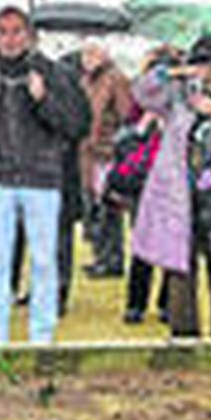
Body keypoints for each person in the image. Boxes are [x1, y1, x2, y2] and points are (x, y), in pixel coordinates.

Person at [131, 35, 211, 338]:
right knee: (180, 271)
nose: (207, 72)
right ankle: (183, 334)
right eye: (201, 64)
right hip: (180, 200)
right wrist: (170, 71)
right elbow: (141, 92)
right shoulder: (177, 98)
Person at [0, 5, 88, 343]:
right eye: (3, 31)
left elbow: (77, 124)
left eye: (17, 31)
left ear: (29, 35)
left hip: (43, 180)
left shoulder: (54, 72)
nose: (10, 39)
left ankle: (42, 338)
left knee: (45, 264)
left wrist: (44, 100)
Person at [77, 42, 135, 279]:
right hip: (88, 154)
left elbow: (127, 116)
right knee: (94, 207)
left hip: (107, 153)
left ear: (105, 55)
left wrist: (115, 145)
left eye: (93, 53)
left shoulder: (116, 79)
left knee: (109, 209)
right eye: (85, 54)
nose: (88, 58)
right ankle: (101, 257)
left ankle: (112, 261)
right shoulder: (85, 81)